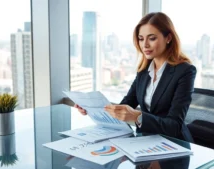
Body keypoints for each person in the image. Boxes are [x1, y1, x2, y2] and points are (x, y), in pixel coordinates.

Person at [74, 12, 196, 142]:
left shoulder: (185, 71)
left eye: (152, 38)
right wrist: (92, 108)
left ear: (168, 38)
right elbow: (127, 104)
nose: (145, 45)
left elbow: (174, 126)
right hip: (145, 140)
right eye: (141, 38)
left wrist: (138, 117)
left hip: (174, 143)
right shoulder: (144, 70)